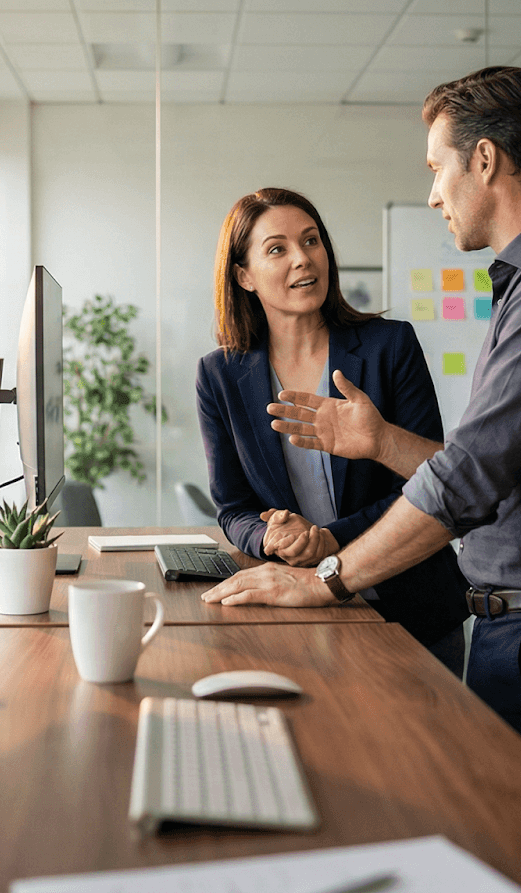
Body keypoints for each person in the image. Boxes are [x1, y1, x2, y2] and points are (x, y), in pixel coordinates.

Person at [201, 69, 521, 795]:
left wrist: (329, 575)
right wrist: (382, 440)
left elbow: (468, 479)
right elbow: (500, 468)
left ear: (484, 160)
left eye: (436, 168)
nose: (434, 193)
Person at [195, 187, 470, 673]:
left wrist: (328, 538)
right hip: (299, 610)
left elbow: (427, 482)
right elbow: (232, 507)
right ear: (244, 276)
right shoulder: (220, 375)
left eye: (311, 241)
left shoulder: (391, 346)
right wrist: (272, 539)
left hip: (411, 609)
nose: (303, 259)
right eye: (277, 249)